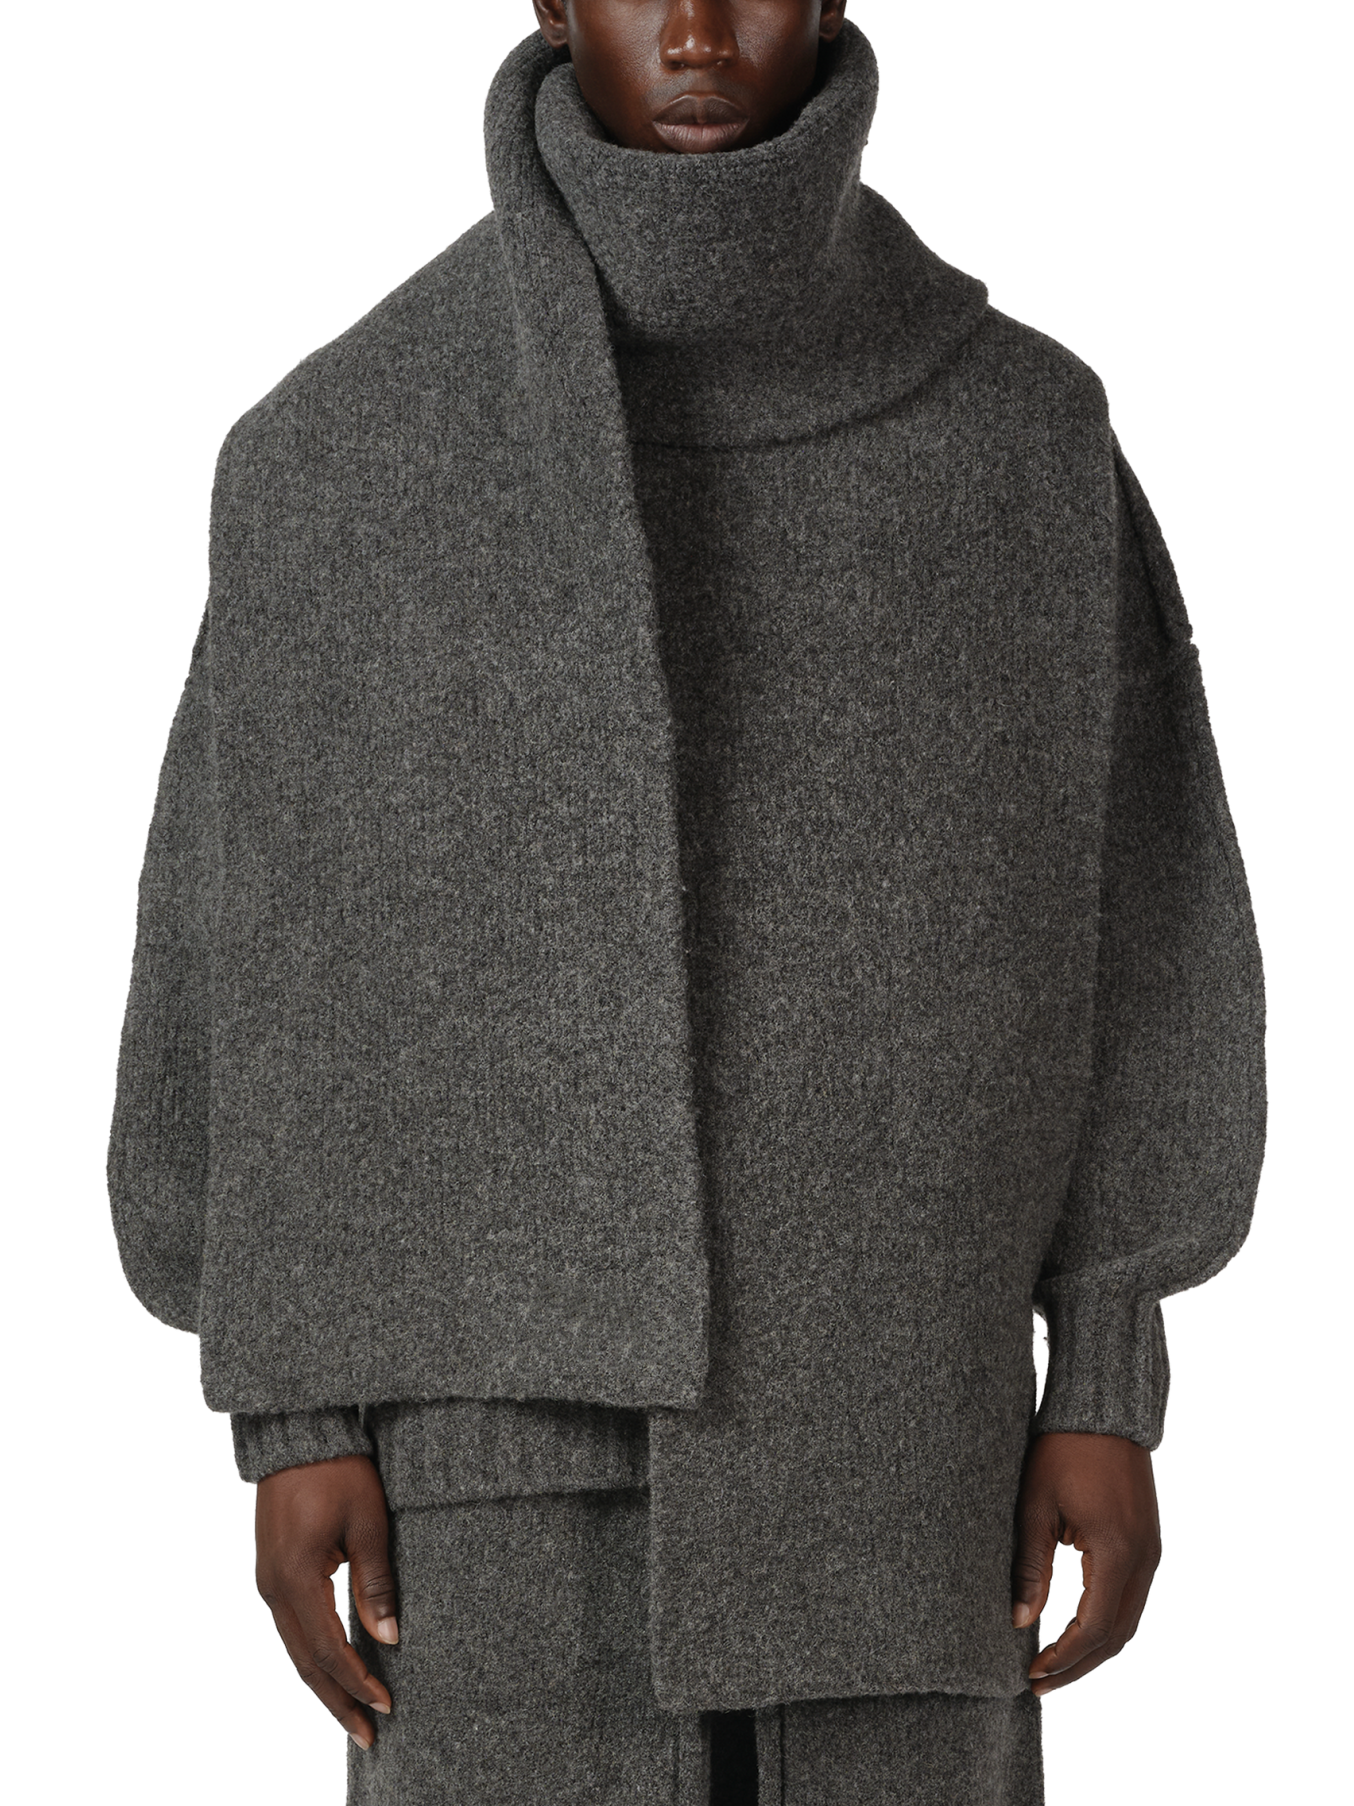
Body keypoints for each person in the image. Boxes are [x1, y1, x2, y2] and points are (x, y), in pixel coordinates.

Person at [106, 3, 1266, 1802]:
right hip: (482, 1504)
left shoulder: (1017, 438)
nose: (701, 28)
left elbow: (1146, 922)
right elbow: (240, 950)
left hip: (905, 1463)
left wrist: (1108, 1372)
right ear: (553, 1)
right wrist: (296, 1407)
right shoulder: (340, 452)